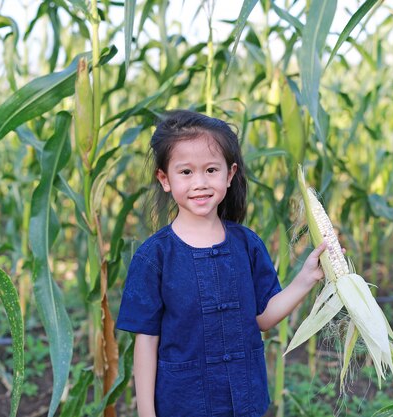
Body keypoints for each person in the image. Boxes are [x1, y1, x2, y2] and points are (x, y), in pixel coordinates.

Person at [116, 109, 327, 417]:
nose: (199, 183)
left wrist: (306, 278)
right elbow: (146, 341)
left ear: (229, 175)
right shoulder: (154, 257)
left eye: (211, 170)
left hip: (244, 401)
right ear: (165, 179)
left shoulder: (247, 245)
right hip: (183, 405)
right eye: (186, 172)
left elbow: (263, 318)